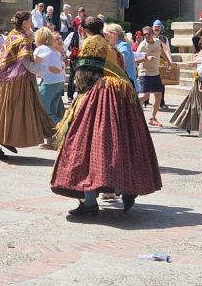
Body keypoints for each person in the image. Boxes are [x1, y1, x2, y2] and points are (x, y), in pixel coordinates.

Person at [51, 16, 162, 217]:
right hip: (124, 95)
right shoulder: (112, 47)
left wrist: (81, 98)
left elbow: (84, 74)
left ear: (84, 30)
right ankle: (129, 189)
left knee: (87, 144)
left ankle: (89, 202)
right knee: (123, 142)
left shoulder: (91, 43)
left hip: (101, 93)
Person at [0, 10, 54, 159]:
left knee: (2, 112)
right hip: (17, 82)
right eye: (30, 21)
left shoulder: (12, 35)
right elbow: (27, 64)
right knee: (13, 113)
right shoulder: (23, 40)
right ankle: (1, 143)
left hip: (3, 78)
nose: (32, 24)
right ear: (24, 24)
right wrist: (45, 68)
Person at [171, 36, 202, 135]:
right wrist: (177, 65)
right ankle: (189, 125)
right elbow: (192, 65)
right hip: (199, 81)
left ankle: (193, 126)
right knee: (193, 104)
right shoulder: (201, 55)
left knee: (196, 105)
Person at [33, 27, 65, 139]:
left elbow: (34, 67)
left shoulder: (41, 49)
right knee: (52, 110)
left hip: (49, 83)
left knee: (43, 110)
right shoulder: (54, 50)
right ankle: (52, 136)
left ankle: (64, 126)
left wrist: (45, 69)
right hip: (59, 82)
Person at [136, 25, 169, 127]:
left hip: (155, 73)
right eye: (144, 34)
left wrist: (168, 62)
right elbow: (135, 60)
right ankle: (131, 106)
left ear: (153, 34)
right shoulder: (142, 46)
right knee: (145, 96)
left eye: (148, 34)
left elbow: (162, 51)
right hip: (145, 73)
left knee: (158, 95)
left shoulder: (157, 41)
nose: (146, 36)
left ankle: (153, 118)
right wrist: (146, 58)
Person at [152, 20, 172, 109]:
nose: (156, 28)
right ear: (152, 27)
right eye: (155, 26)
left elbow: (167, 50)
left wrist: (169, 62)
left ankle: (161, 102)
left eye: (158, 27)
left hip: (161, 62)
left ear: (161, 28)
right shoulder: (149, 37)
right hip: (151, 62)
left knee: (162, 83)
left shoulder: (164, 38)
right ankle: (145, 101)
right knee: (149, 81)